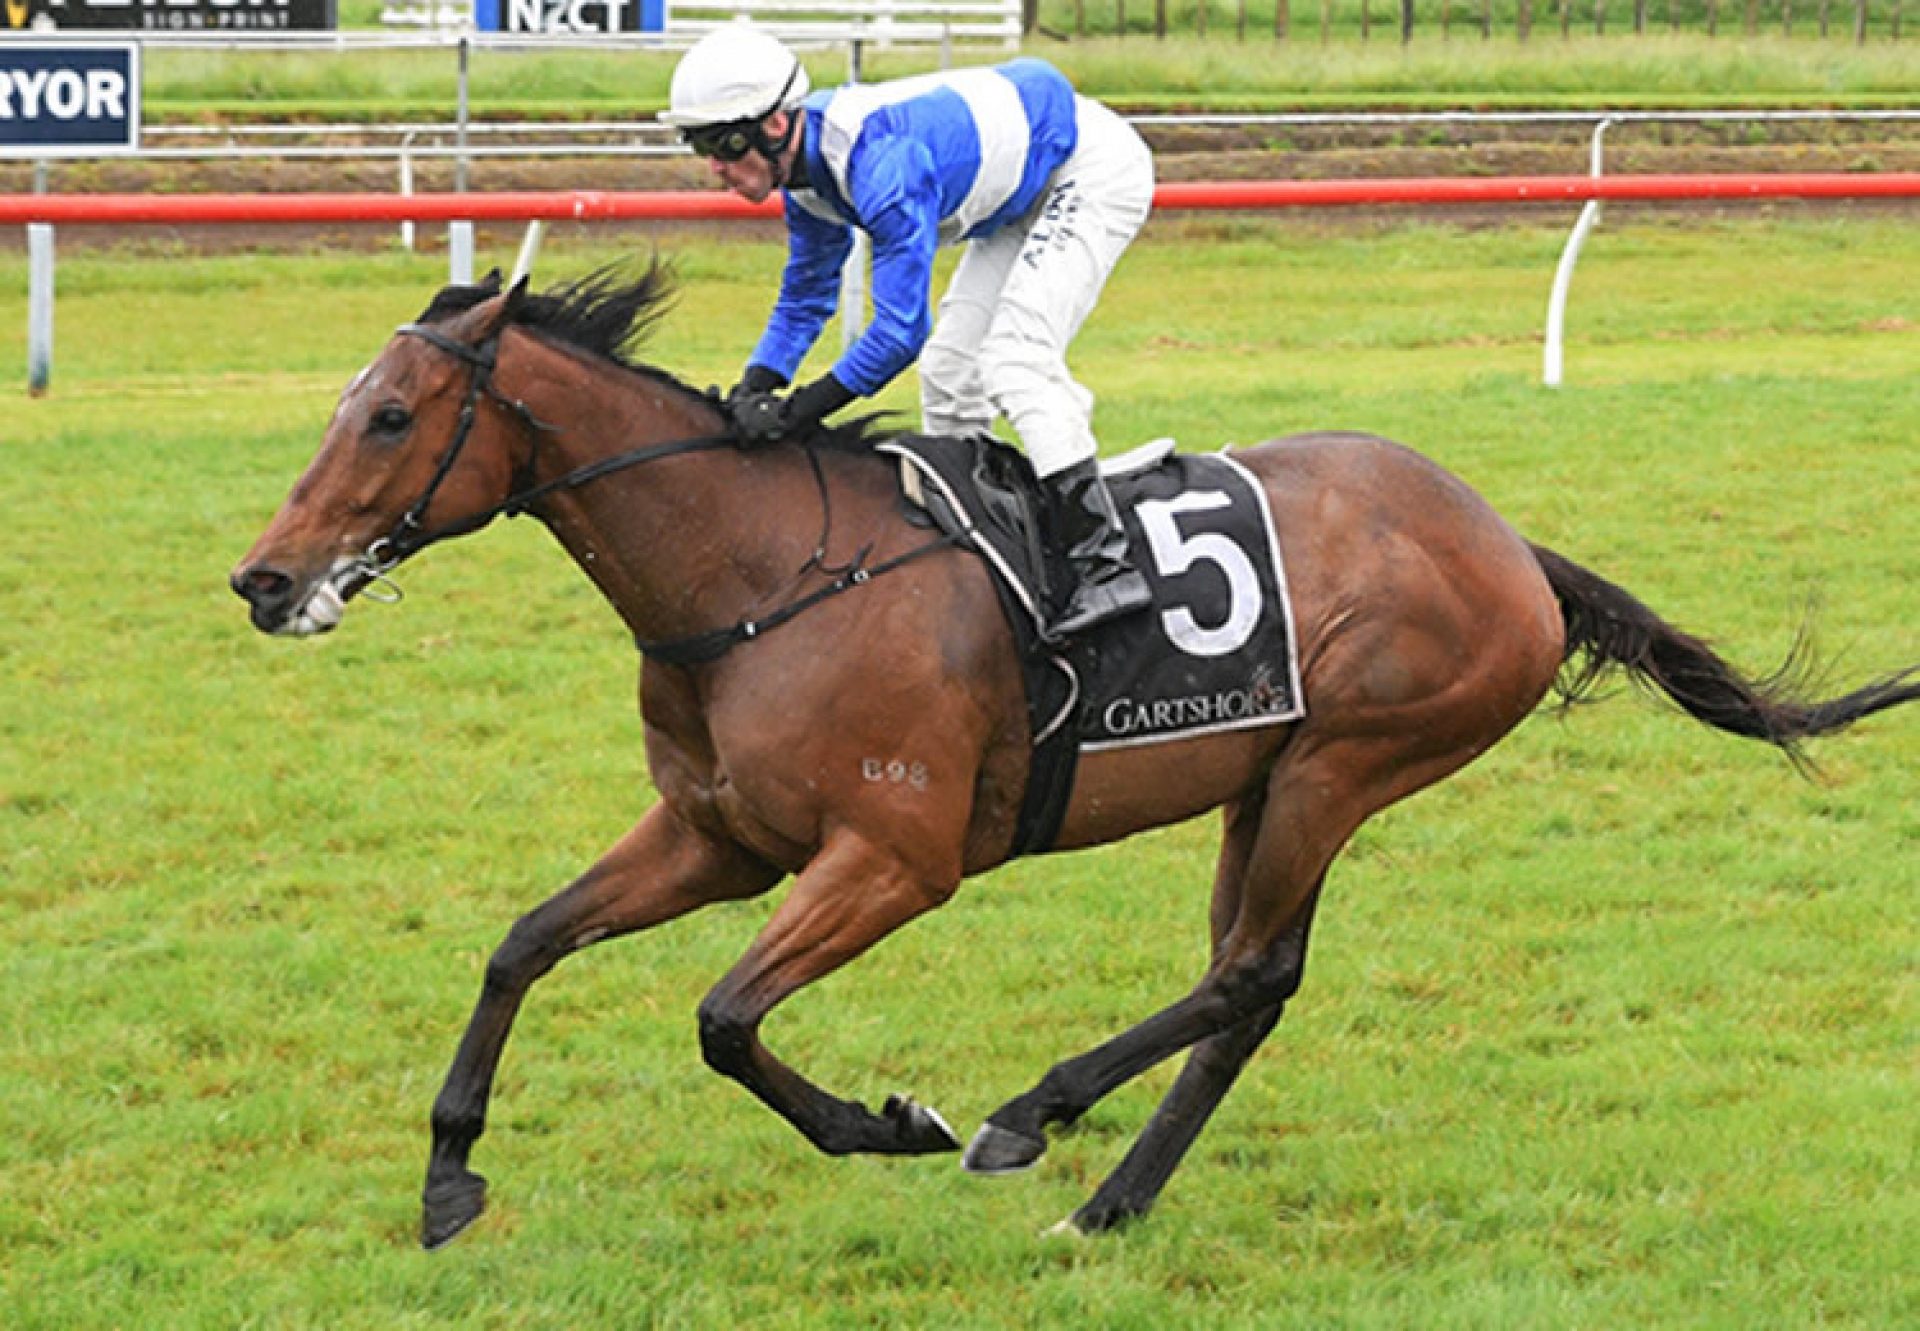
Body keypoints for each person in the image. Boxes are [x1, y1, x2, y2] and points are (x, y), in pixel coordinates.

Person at [661, 25, 1156, 640]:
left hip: (1087, 168)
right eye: (700, 147)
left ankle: (1107, 565)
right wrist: (756, 385)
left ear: (777, 125)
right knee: (952, 367)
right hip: (1021, 187)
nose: (716, 168)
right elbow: (805, 296)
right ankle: (985, 544)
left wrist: (801, 412)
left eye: (726, 145)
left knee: (1013, 359)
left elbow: (899, 330)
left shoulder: (880, 165)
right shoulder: (804, 173)